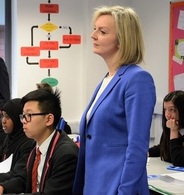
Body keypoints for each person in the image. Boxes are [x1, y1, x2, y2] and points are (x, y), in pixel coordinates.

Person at [73, 5, 156, 195]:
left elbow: (137, 148)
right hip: (94, 185)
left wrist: (125, 192)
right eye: (94, 29)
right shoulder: (106, 80)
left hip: (117, 186)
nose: (93, 35)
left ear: (122, 40)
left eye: (102, 31)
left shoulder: (137, 79)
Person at [0, 88, 79, 195]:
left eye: (29, 115)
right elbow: (24, 178)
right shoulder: (36, 144)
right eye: (23, 116)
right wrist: (1, 188)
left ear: (49, 119)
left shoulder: (65, 155)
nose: (23, 121)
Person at [149, 90, 184, 166]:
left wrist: (174, 131)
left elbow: (178, 161)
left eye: (172, 110)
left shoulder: (173, 128)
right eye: (165, 109)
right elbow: (163, 147)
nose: (167, 115)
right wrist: (146, 153)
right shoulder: (172, 125)